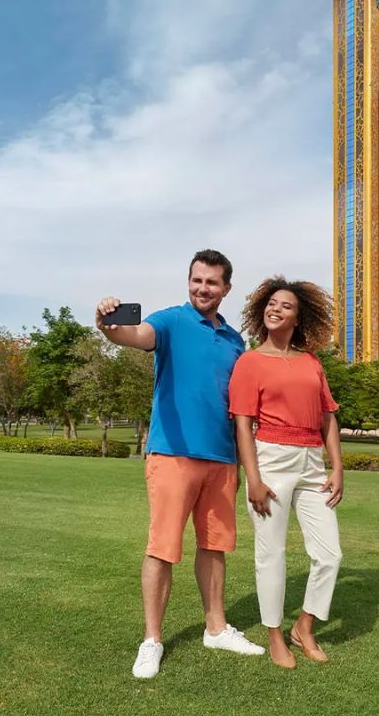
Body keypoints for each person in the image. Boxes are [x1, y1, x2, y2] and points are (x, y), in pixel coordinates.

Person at [96, 249, 265, 680]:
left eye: (211, 283)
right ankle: (152, 639)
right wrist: (108, 326)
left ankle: (215, 627)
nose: (202, 288)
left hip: (222, 459)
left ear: (226, 288)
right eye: (196, 280)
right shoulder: (170, 320)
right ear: (188, 281)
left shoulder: (234, 340)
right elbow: (134, 335)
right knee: (163, 548)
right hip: (172, 455)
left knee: (215, 548)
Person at [228, 276, 344, 669]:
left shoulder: (311, 362)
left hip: (312, 463)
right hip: (271, 459)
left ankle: (304, 626)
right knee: (271, 554)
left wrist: (338, 465)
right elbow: (243, 424)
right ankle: (275, 633)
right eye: (271, 303)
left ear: (299, 317)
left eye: (286, 306)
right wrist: (254, 479)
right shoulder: (249, 362)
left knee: (330, 555)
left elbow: (328, 416)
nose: (275, 309)